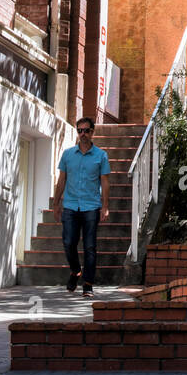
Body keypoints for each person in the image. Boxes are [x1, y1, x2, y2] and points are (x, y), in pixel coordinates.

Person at [53, 117, 110, 296]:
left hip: (91, 206)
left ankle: (88, 283)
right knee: (69, 242)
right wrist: (56, 204)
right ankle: (75, 270)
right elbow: (61, 180)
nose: (83, 134)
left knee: (90, 246)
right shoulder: (68, 154)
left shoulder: (101, 156)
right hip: (70, 205)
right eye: (80, 131)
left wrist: (105, 206)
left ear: (93, 132)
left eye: (86, 130)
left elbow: (105, 182)